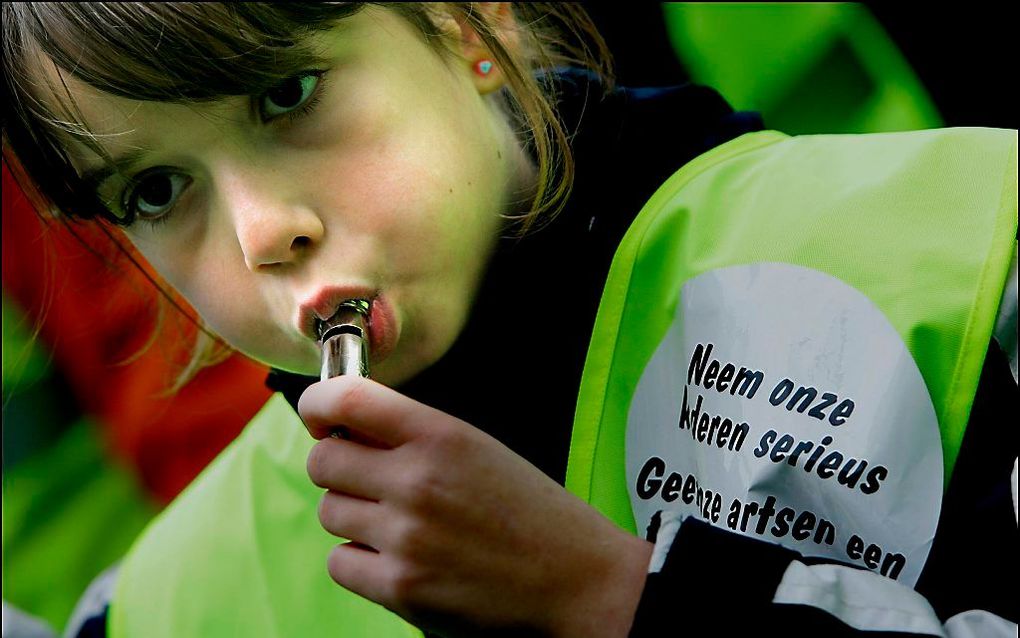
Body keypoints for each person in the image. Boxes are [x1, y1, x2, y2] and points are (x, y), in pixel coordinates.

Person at [2, 3, 1014, 638]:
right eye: (154, 188)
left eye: (288, 94)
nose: (264, 231)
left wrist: (617, 601)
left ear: (466, 21)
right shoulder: (178, 596)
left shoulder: (975, 242)